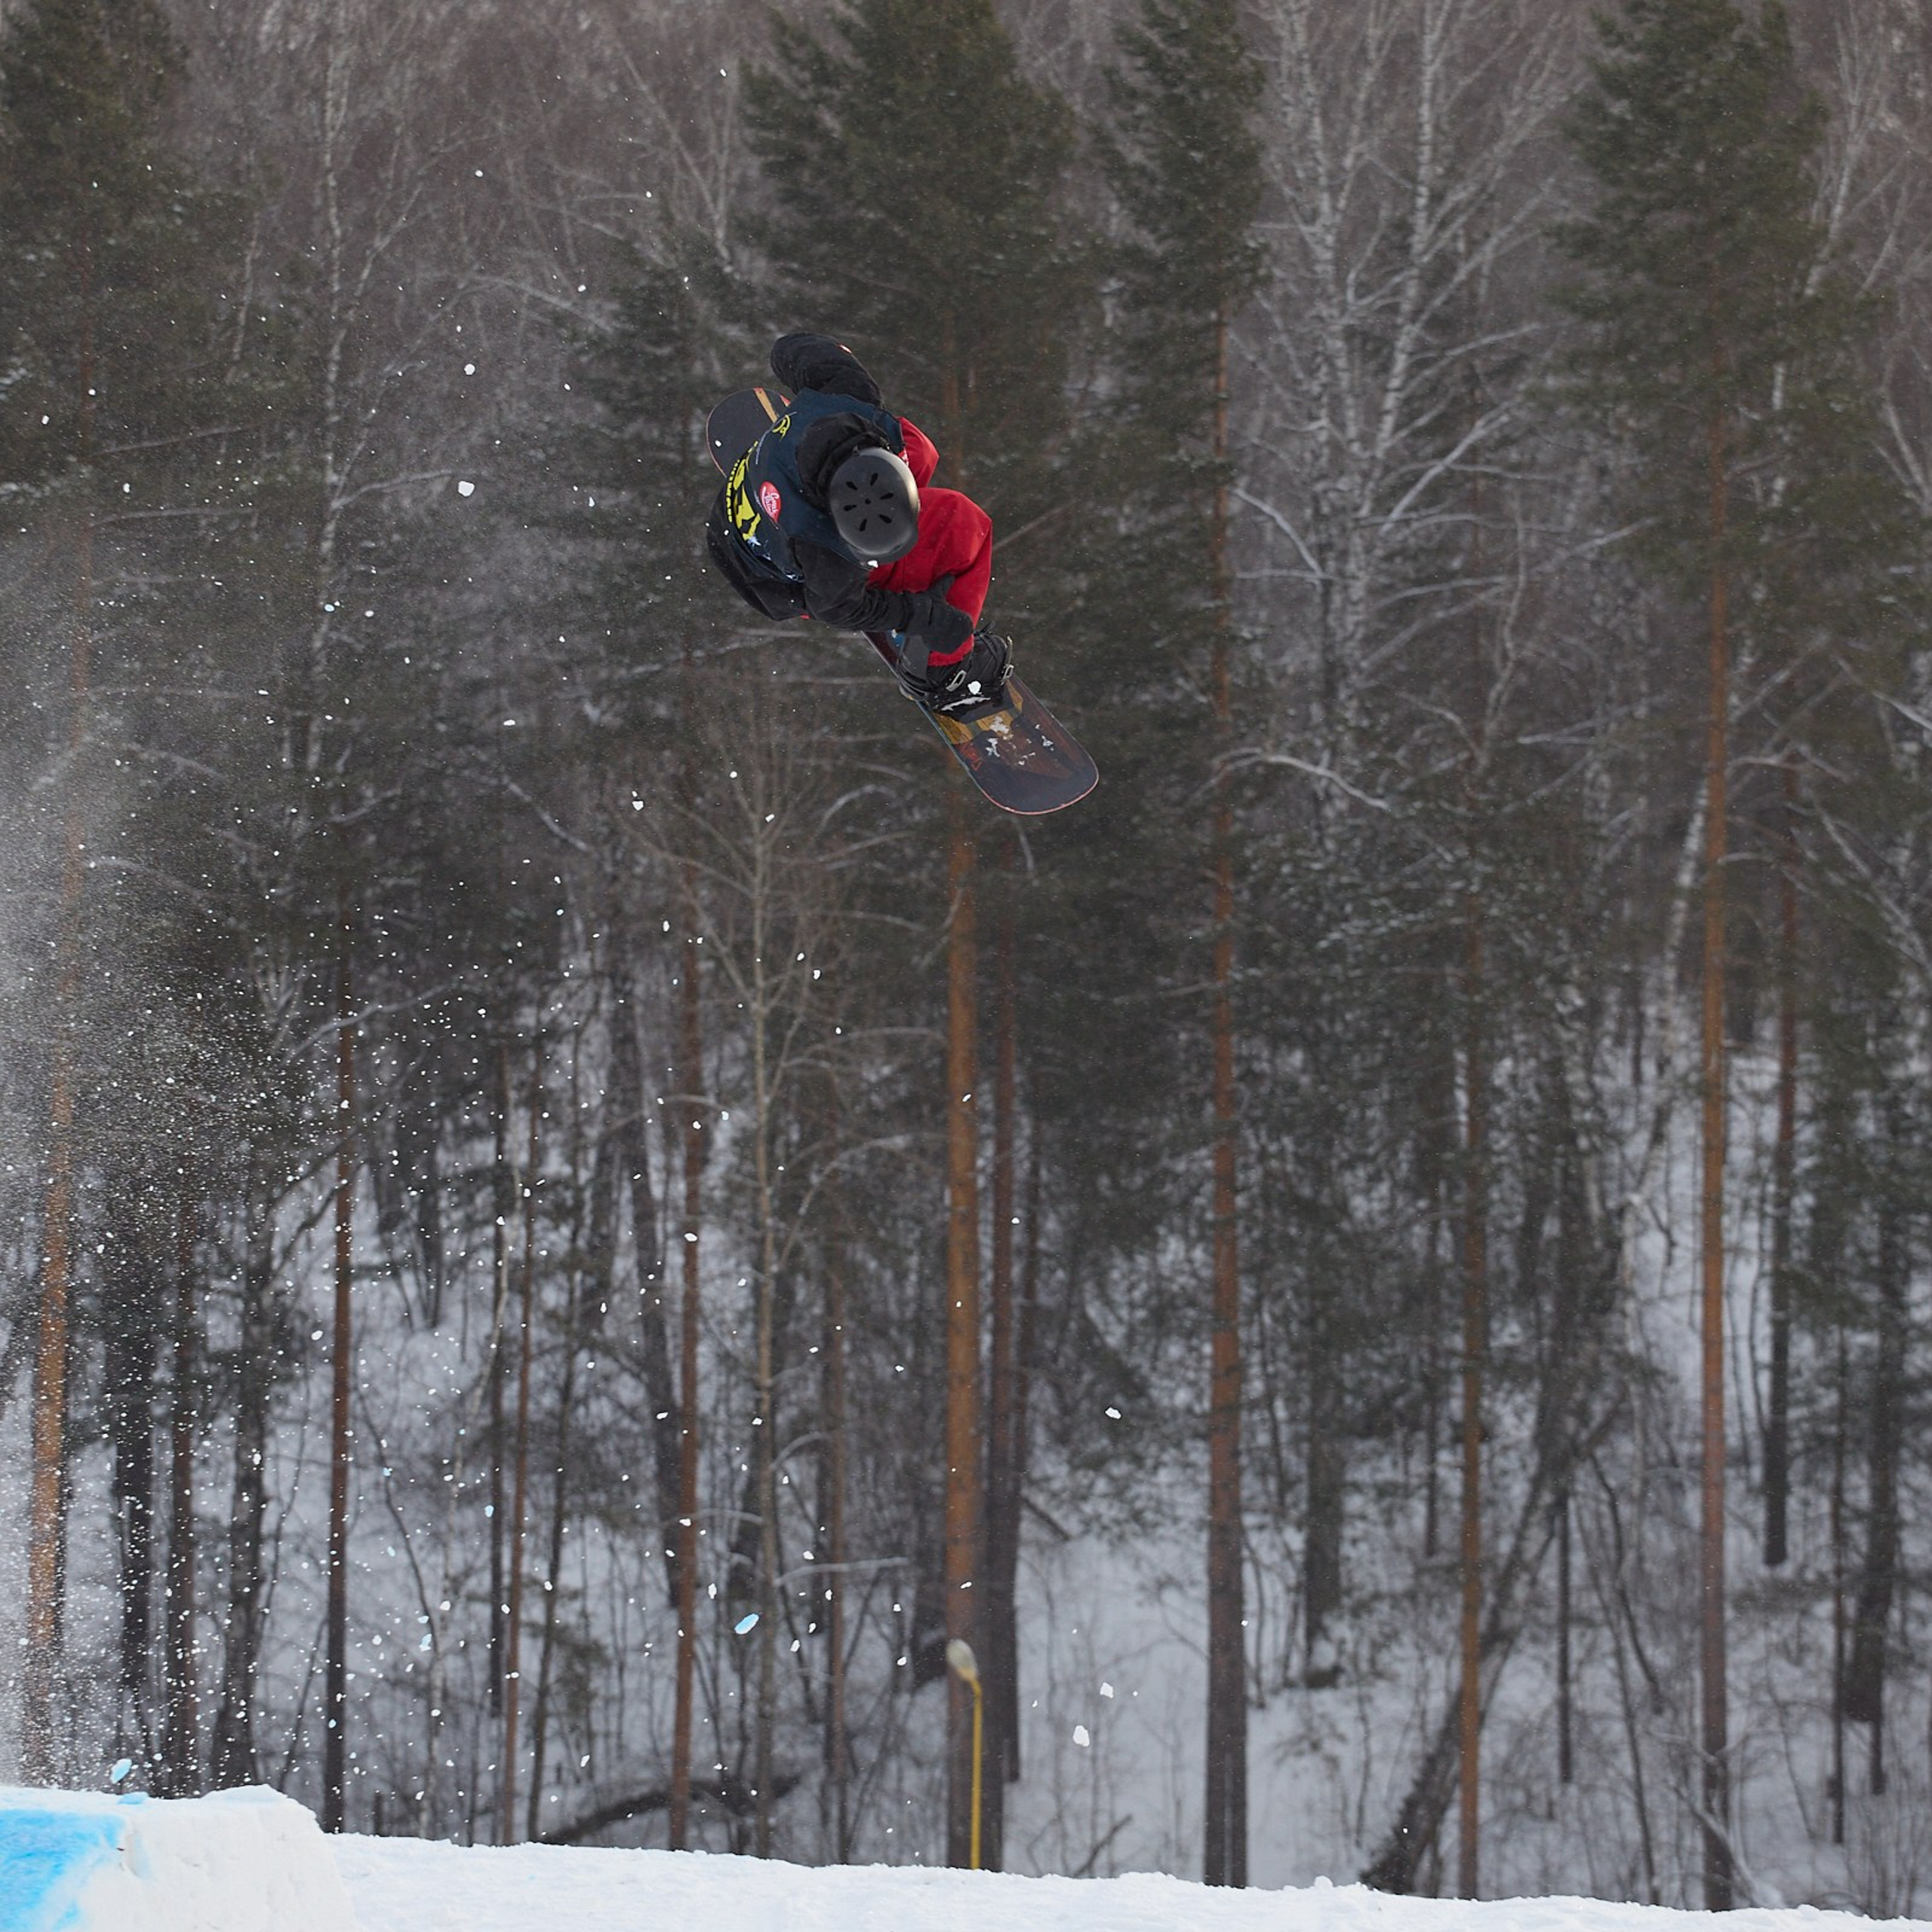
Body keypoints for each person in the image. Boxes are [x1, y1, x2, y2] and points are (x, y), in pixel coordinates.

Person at [706, 332, 1013, 712]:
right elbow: (838, 609)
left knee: (919, 448)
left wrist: (802, 354)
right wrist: (921, 616)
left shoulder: (848, 391)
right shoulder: (821, 546)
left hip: (757, 501)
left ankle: (900, 571)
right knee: (962, 521)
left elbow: (790, 348)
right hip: (774, 582)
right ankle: (941, 673)